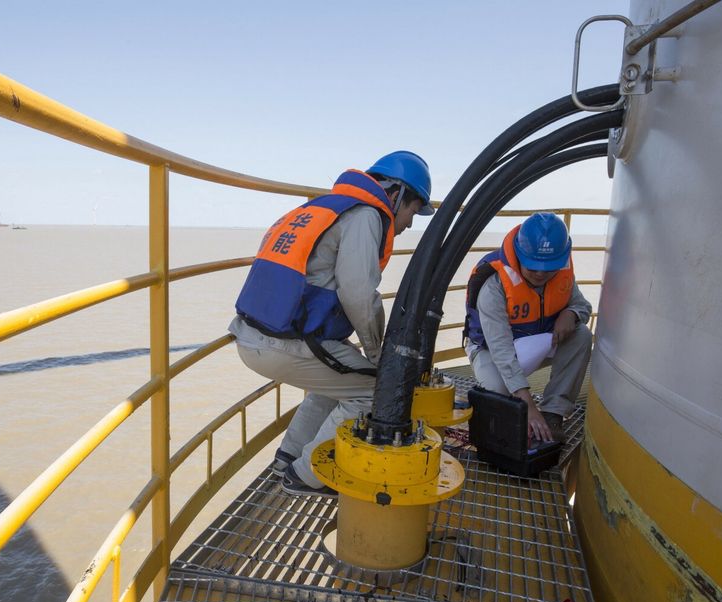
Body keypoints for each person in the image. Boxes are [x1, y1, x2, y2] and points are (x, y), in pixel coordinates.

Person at [230, 151, 434, 497]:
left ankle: (287, 457)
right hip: (285, 344)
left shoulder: (321, 207)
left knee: (337, 383)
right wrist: (377, 355)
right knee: (373, 393)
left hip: (253, 334)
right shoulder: (366, 214)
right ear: (397, 194)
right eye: (414, 210)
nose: (411, 223)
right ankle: (308, 475)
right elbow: (357, 293)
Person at [463, 212, 592, 443]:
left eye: (549, 267)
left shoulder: (562, 275)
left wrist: (571, 314)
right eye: (533, 267)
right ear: (518, 256)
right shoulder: (494, 286)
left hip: (533, 343)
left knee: (581, 334)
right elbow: (501, 350)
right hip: (491, 350)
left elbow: (582, 305)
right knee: (497, 391)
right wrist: (527, 404)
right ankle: (519, 408)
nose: (541, 274)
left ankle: (553, 413)